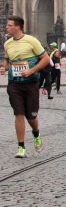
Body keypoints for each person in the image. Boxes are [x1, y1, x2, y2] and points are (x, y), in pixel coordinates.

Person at [0, 16, 50, 157]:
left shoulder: (31, 41)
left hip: (30, 84)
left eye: (9, 25)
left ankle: (36, 134)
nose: (6, 27)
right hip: (14, 84)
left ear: (17, 27)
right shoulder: (7, 43)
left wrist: (31, 70)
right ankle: (21, 147)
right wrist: (4, 68)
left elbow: (46, 59)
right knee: (19, 114)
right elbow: (7, 61)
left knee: (31, 116)